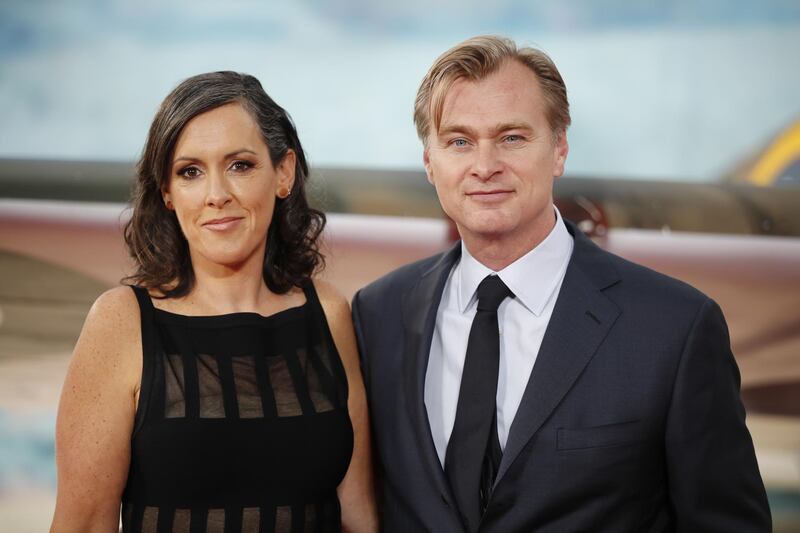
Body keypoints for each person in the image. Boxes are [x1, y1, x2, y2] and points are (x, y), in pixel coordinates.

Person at [352, 35, 771, 532]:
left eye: (512, 137)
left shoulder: (673, 328)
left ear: (559, 151)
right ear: (429, 163)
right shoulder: (377, 314)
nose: (485, 166)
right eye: (459, 141)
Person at [51, 71, 377, 532]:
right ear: (166, 192)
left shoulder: (327, 312)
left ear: (283, 173)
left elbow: (359, 514)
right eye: (190, 172)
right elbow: (82, 524)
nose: (216, 195)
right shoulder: (122, 322)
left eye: (240, 165)